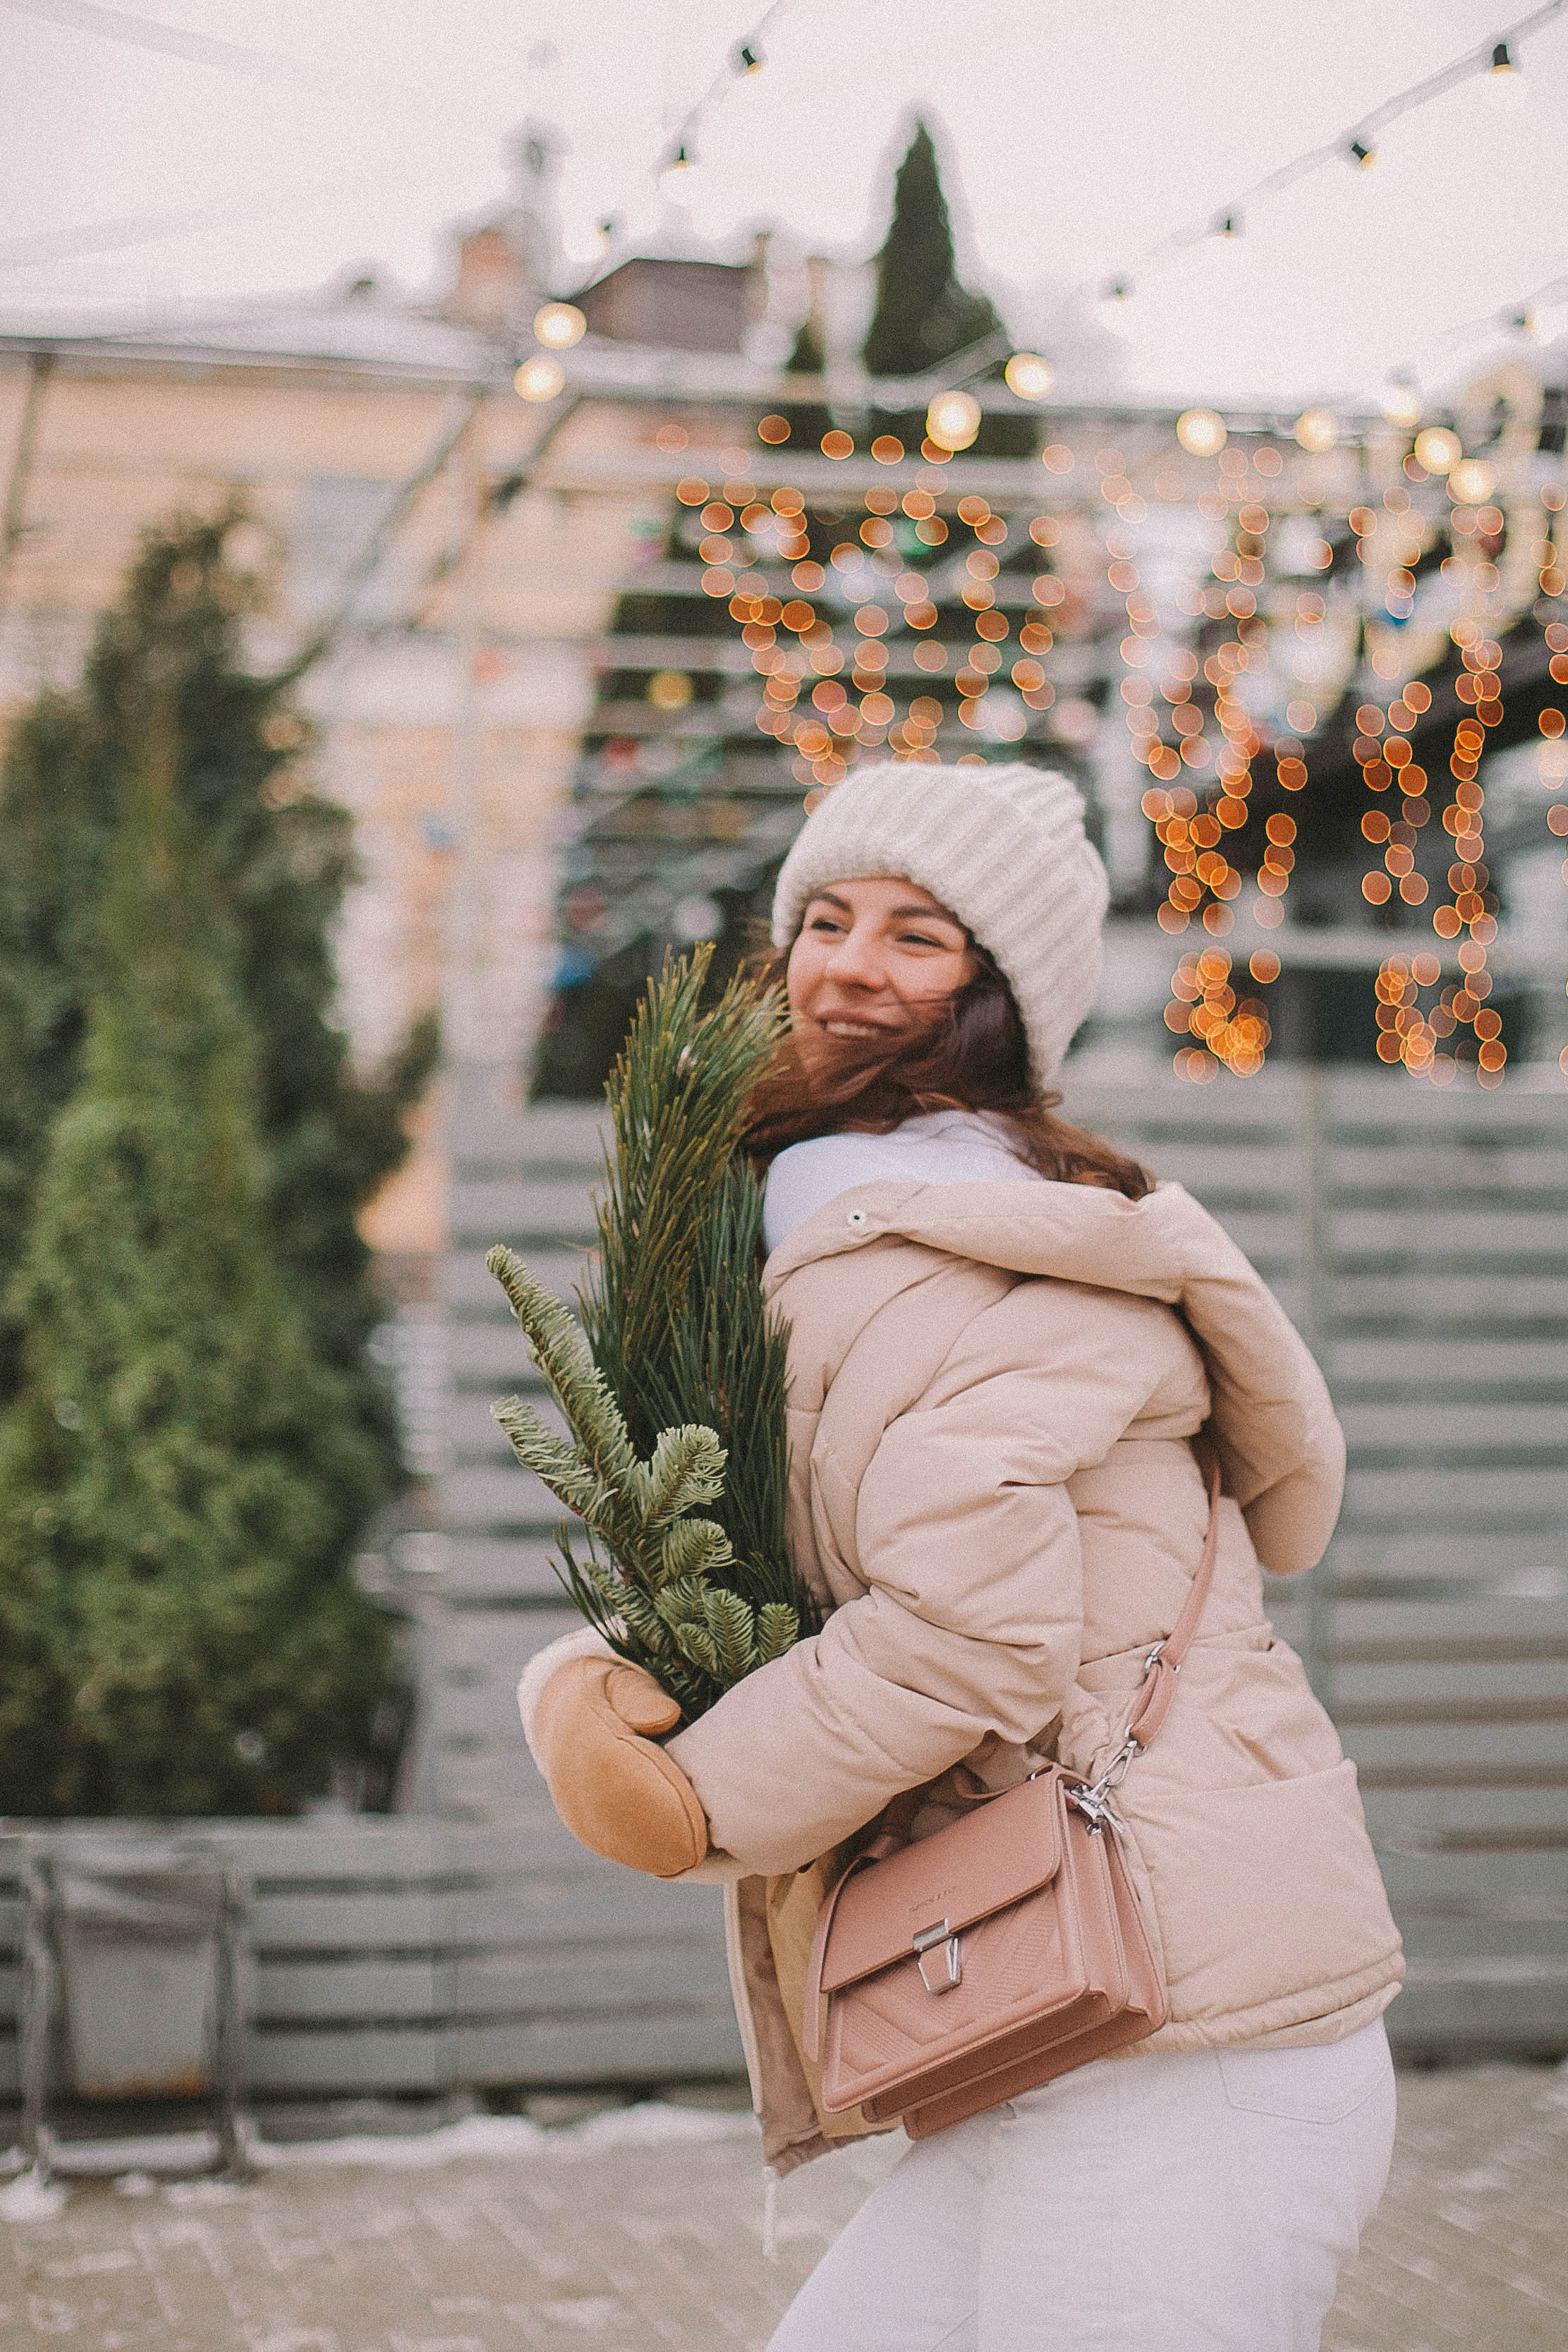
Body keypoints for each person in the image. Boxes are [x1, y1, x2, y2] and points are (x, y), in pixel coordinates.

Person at [520, 760, 1403, 2351]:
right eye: (826, 917)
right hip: (1044, 1997)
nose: (847, 962)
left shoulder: (985, 1263)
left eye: (916, 935)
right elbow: (780, 1588)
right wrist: (587, 1687)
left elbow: (962, 1635)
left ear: (998, 1000)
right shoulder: (808, 1240)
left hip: (1183, 2024)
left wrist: (700, 1793)